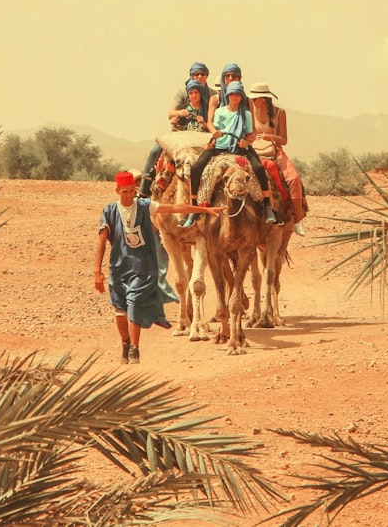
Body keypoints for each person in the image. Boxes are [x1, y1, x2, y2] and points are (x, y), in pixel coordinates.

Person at [94, 171, 224, 364]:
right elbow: (102, 240)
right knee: (119, 313)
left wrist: (205, 210)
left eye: (132, 191)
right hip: (119, 268)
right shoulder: (109, 211)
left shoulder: (146, 205)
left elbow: (174, 208)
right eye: (125, 192)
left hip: (142, 267)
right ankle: (125, 343)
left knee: (134, 306)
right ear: (117, 191)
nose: (129, 195)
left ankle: (135, 350)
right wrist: (97, 271)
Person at [180, 80, 279, 228]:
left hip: (240, 148)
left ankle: (267, 207)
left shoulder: (245, 114)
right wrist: (214, 133)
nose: (234, 97)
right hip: (219, 147)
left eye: (237, 94)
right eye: (231, 94)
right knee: (196, 168)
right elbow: (211, 124)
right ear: (227, 95)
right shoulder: (220, 111)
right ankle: (194, 208)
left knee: (259, 169)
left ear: (241, 97)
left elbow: (251, 134)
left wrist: (246, 142)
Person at [138, 61, 211, 199]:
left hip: (203, 134)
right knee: (156, 151)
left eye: (202, 74)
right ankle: (144, 189)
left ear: (207, 76)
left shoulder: (212, 94)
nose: (199, 76)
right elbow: (170, 114)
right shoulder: (183, 92)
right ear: (191, 76)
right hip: (181, 133)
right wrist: (180, 113)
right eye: (196, 74)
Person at [247, 82, 307, 236]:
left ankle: (298, 220)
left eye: (256, 99)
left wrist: (270, 137)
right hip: (254, 149)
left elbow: (284, 139)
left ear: (264, 99)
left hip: (274, 149)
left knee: (293, 178)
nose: (253, 101)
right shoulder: (250, 111)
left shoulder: (279, 113)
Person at [207, 62, 244, 127]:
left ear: (239, 78)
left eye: (234, 76)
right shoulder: (216, 99)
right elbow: (210, 122)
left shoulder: (246, 100)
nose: (230, 78)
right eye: (227, 76)